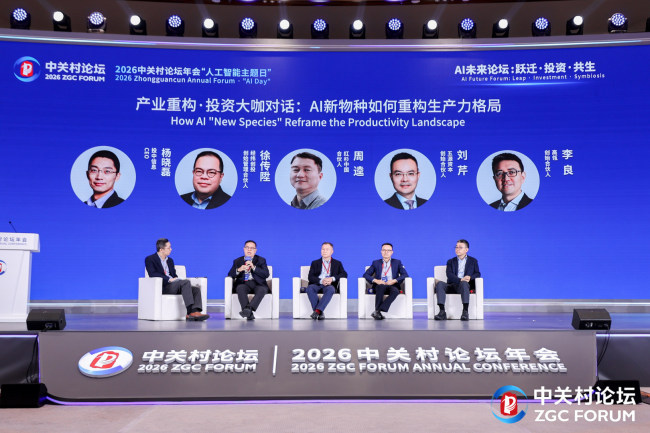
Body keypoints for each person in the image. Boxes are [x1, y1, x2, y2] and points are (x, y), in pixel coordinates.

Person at [144, 238, 209, 321]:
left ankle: (195, 311)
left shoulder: (170, 261)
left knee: (195, 289)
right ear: (161, 249)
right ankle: (189, 313)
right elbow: (152, 274)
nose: (171, 249)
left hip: (173, 285)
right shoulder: (150, 259)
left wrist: (176, 279)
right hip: (163, 286)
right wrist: (168, 279)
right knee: (185, 283)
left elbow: (174, 275)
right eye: (168, 248)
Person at [434, 239, 481, 321]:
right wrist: (460, 279)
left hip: (464, 286)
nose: (457, 249)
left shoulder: (473, 261)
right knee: (440, 284)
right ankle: (442, 312)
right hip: (452, 285)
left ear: (466, 250)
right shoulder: (450, 261)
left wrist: (470, 277)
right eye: (456, 247)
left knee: (464, 283)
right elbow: (449, 275)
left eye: (460, 247)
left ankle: (465, 312)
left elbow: (477, 273)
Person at [363, 243, 409, 320]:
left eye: (388, 250)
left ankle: (378, 311)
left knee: (395, 291)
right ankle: (378, 312)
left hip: (392, 285)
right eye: (384, 250)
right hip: (380, 285)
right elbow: (365, 275)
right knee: (381, 287)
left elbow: (405, 274)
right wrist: (376, 280)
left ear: (392, 252)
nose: (386, 252)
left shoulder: (397, 262)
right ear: (381, 251)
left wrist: (394, 280)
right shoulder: (376, 263)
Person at [227, 240, 270, 320]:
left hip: (258, 284)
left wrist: (254, 267)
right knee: (240, 288)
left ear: (255, 250)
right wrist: (239, 269)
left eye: (252, 248)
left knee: (262, 289)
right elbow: (230, 275)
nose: (249, 250)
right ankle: (249, 313)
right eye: (247, 247)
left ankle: (248, 310)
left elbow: (266, 274)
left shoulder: (261, 260)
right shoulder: (237, 261)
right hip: (244, 283)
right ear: (244, 249)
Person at [306, 242, 348, 320]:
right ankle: (319, 312)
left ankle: (317, 311)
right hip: (317, 284)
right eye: (323, 249)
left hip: (329, 285)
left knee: (331, 289)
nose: (324, 251)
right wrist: (321, 281)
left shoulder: (337, 263)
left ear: (332, 251)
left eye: (327, 249)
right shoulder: (315, 263)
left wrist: (332, 278)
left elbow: (344, 274)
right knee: (309, 288)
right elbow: (310, 277)